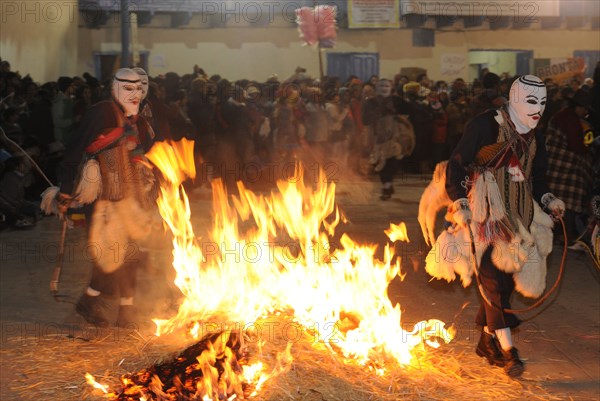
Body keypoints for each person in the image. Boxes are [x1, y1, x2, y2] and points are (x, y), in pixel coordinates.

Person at [420, 75, 565, 378]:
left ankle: (487, 340)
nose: (538, 109)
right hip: (483, 216)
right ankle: (510, 352)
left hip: (520, 220)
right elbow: (457, 164)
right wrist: (460, 201)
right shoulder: (485, 125)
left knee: (506, 284)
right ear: (514, 98)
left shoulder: (535, 134)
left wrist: (549, 199)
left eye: (542, 102)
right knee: (494, 285)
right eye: (531, 101)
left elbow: (537, 178)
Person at [53, 68, 156, 328]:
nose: (135, 93)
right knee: (109, 255)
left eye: (140, 88)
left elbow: (145, 153)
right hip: (102, 196)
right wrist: (66, 189)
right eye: (128, 88)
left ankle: (126, 311)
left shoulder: (139, 120)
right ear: (114, 88)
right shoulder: (102, 112)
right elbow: (75, 148)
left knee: (132, 253)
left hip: (131, 195)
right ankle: (89, 300)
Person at [545, 89, 594, 249]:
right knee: (571, 201)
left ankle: (558, 234)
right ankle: (568, 237)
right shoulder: (571, 119)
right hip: (565, 167)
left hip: (554, 164)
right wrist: (589, 151)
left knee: (556, 203)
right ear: (578, 107)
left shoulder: (563, 114)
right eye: (584, 108)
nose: (585, 112)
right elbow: (576, 145)